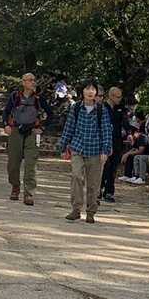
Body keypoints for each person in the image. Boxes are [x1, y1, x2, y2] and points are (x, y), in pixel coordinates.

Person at [60, 80, 113, 223]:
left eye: (93, 89)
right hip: (78, 148)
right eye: (87, 89)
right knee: (76, 176)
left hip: (95, 150)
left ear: (96, 93)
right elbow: (69, 127)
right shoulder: (76, 108)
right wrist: (63, 146)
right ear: (82, 91)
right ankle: (76, 209)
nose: (90, 92)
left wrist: (105, 150)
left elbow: (106, 131)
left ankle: (91, 211)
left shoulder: (102, 110)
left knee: (93, 183)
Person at [4, 73, 50, 204]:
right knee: (13, 163)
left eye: (34, 80)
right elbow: (6, 112)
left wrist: (42, 128)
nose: (33, 82)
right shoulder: (15, 96)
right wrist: (6, 125)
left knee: (31, 164)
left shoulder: (39, 98)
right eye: (30, 80)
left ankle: (29, 193)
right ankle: (15, 187)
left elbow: (50, 114)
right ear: (23, 82)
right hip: (16, 131)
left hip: (32, 133)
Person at [99, 86, 126, 202]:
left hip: (117, 141)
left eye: (120, 97)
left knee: (113, 168)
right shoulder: (102, 108)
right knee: (104, 167)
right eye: (117, 97)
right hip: (104, 141)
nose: (119, 99)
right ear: (111, 96)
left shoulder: (120, 109)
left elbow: (124, 123)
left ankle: (109, 191)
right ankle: (98, 189)